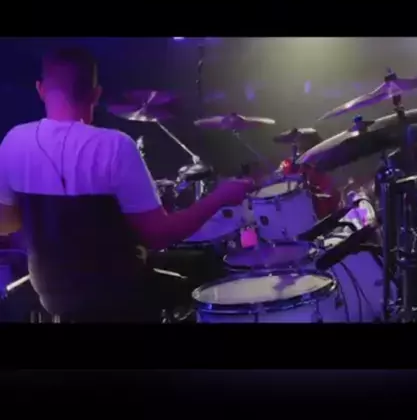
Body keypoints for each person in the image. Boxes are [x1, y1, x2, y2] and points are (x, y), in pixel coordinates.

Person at [0, 47, 255, 320]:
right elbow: (159, 236)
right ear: (96, 93)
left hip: (53, 298)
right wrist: (220, 196)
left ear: (40, 90)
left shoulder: (14, 142)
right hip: (120, 301)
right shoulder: (114, 145)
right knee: (204, 271)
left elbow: (6, 224)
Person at [278, 132, 340, 219]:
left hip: (319, 218)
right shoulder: (288, 165)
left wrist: (312, 194)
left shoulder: (321, 171)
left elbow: (333, 198)